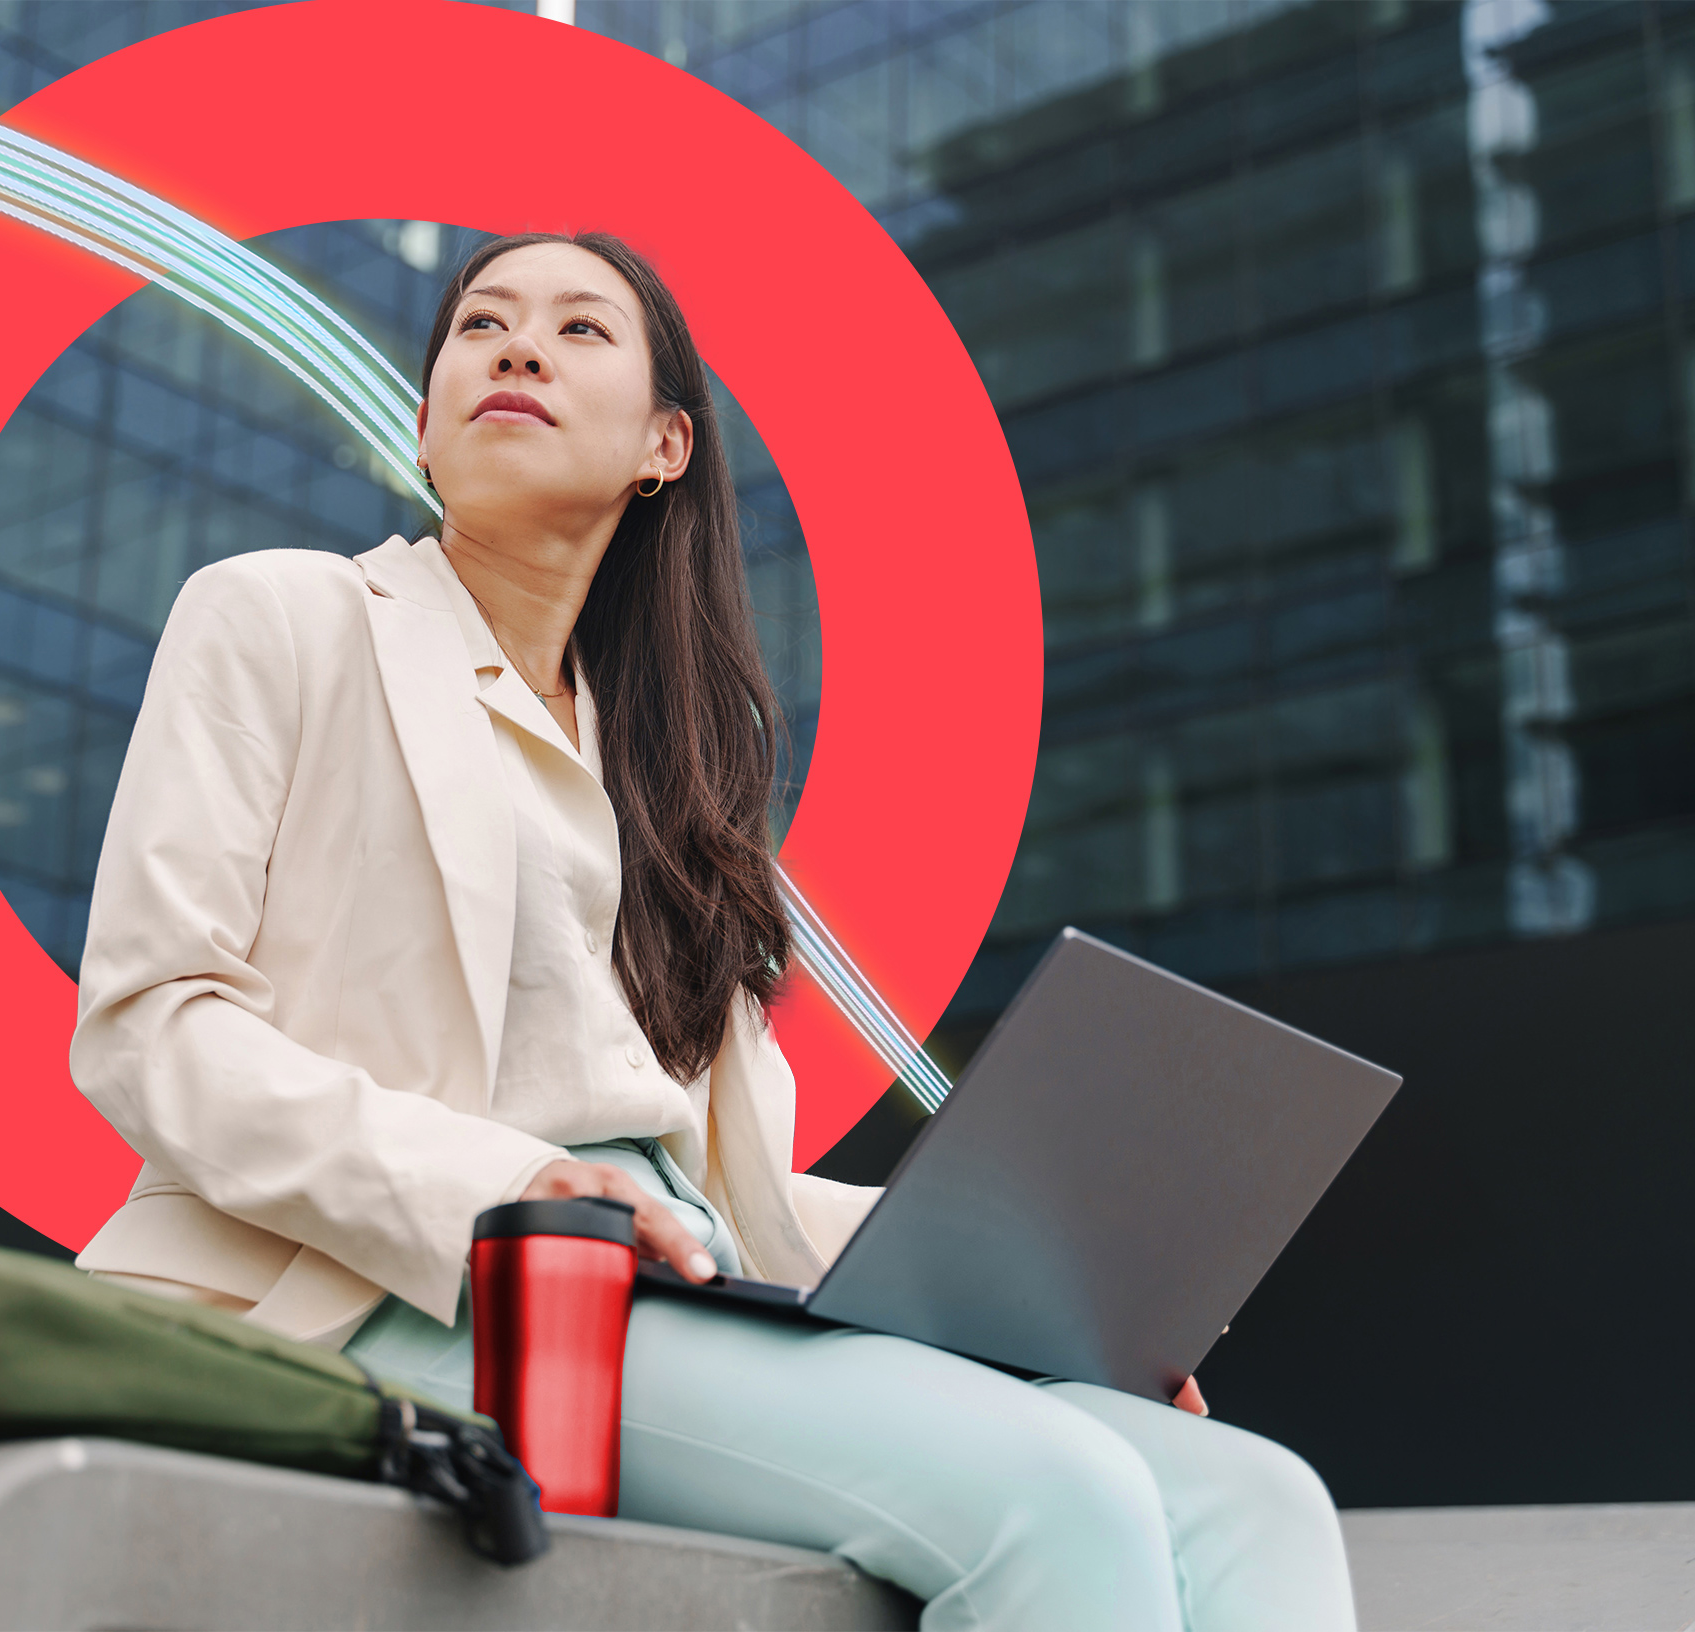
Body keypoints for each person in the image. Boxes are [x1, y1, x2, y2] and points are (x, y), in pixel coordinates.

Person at [67, 229, 1353, 1630]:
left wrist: (1063, 1306)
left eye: (577, 330)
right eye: (482, 326)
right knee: (1062, 1495)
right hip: (399, 1284)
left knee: (1254, 1493)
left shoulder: (675, 771)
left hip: (668, 1287)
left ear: (664, 447)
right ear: (427, 426)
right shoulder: (284, 615)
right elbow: (155, 1028)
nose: (517, 347)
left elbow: (729, 1206)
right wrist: (520, 1180)